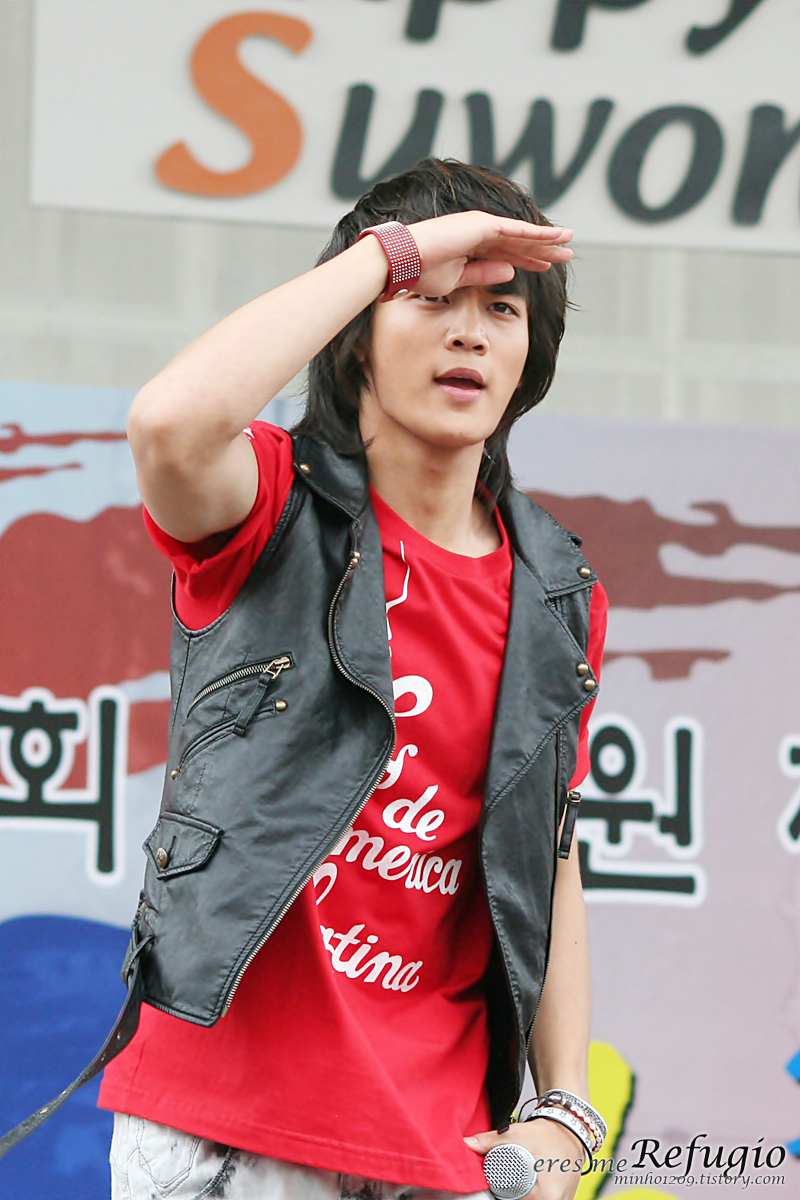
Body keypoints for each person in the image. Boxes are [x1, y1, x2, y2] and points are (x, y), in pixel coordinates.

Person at [99, 157, 608, 1200]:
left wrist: (565, 1107)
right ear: (356, 334)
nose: (469, 333)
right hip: (227, 1132)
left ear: (530, 353)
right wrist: (391, 254)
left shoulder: (559, 591)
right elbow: (169, 423)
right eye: (431, 300)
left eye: (501, 309)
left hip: (444, 1147)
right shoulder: (270, 505)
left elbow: (546, 846)